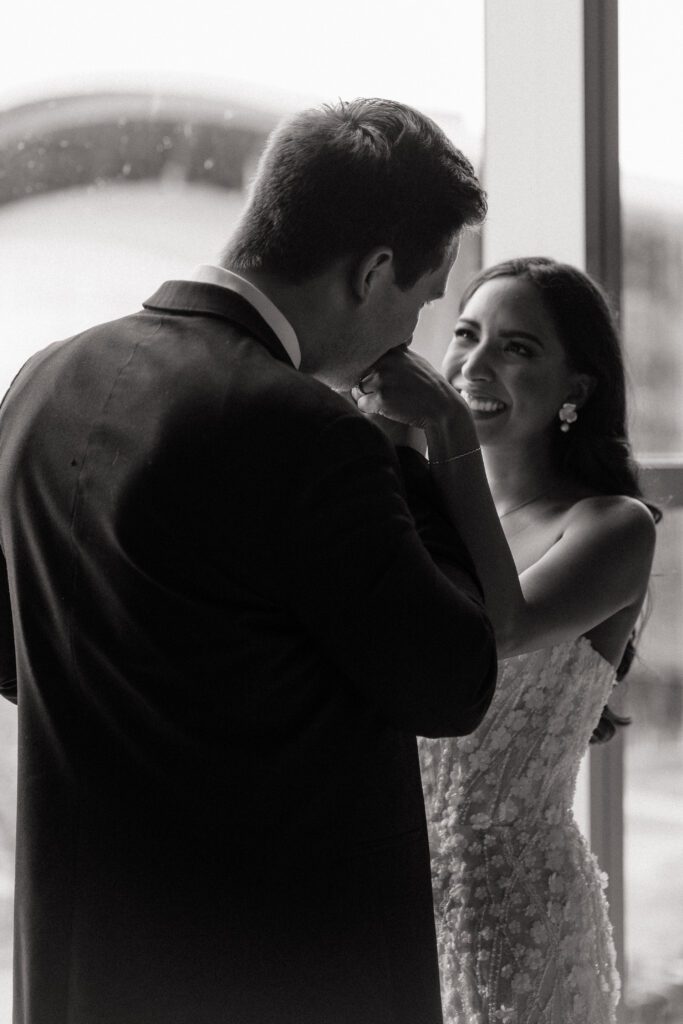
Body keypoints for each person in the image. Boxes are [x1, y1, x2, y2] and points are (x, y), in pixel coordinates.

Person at [0, 99, 497, 1024]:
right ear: (373, 271)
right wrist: (412, 443)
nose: (412, 338)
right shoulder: (313, 436)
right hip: (276, 969)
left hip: (79, 968)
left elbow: (10, 654)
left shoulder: (42, 380)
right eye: (422, 301)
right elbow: (453, 681)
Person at [351, 256, 657, 1024]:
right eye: (465, 334)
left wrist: (444, 425)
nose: (475, 364)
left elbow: (498, 630)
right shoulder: (416, 508)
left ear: (575, 390)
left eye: (516, 347)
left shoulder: (612, 526)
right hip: (386, 905)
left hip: (517, 924)